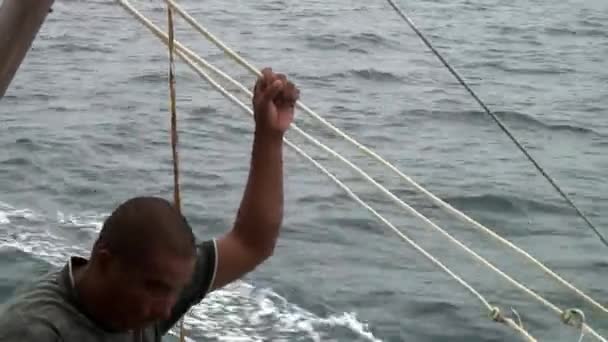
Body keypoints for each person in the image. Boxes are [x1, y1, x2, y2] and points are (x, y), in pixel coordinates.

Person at [0, 67, 300, 341]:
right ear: (104, 263)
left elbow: (251, 243)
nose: (166, 310)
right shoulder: (32, 331)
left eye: (176, 291)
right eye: (156, 289)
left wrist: (269, 135)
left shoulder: (144, 296)